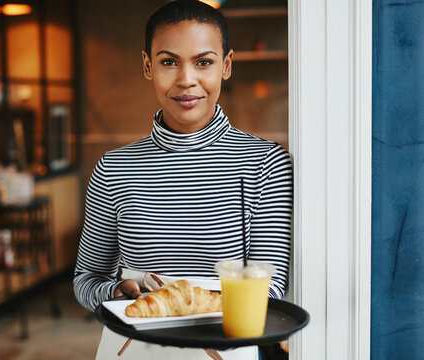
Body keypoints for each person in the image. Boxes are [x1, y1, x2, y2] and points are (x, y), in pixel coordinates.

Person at [73, 1, 292, 359]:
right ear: (148, 66)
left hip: (226, 348)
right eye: (168, 61)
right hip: (132, 349)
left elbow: (270, 289)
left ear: (227, 65)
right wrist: (115, 293)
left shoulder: (264, 163)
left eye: (203, 62)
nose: (186, 79)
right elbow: (87, 280)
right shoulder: (113, 168)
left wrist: (186, 307)